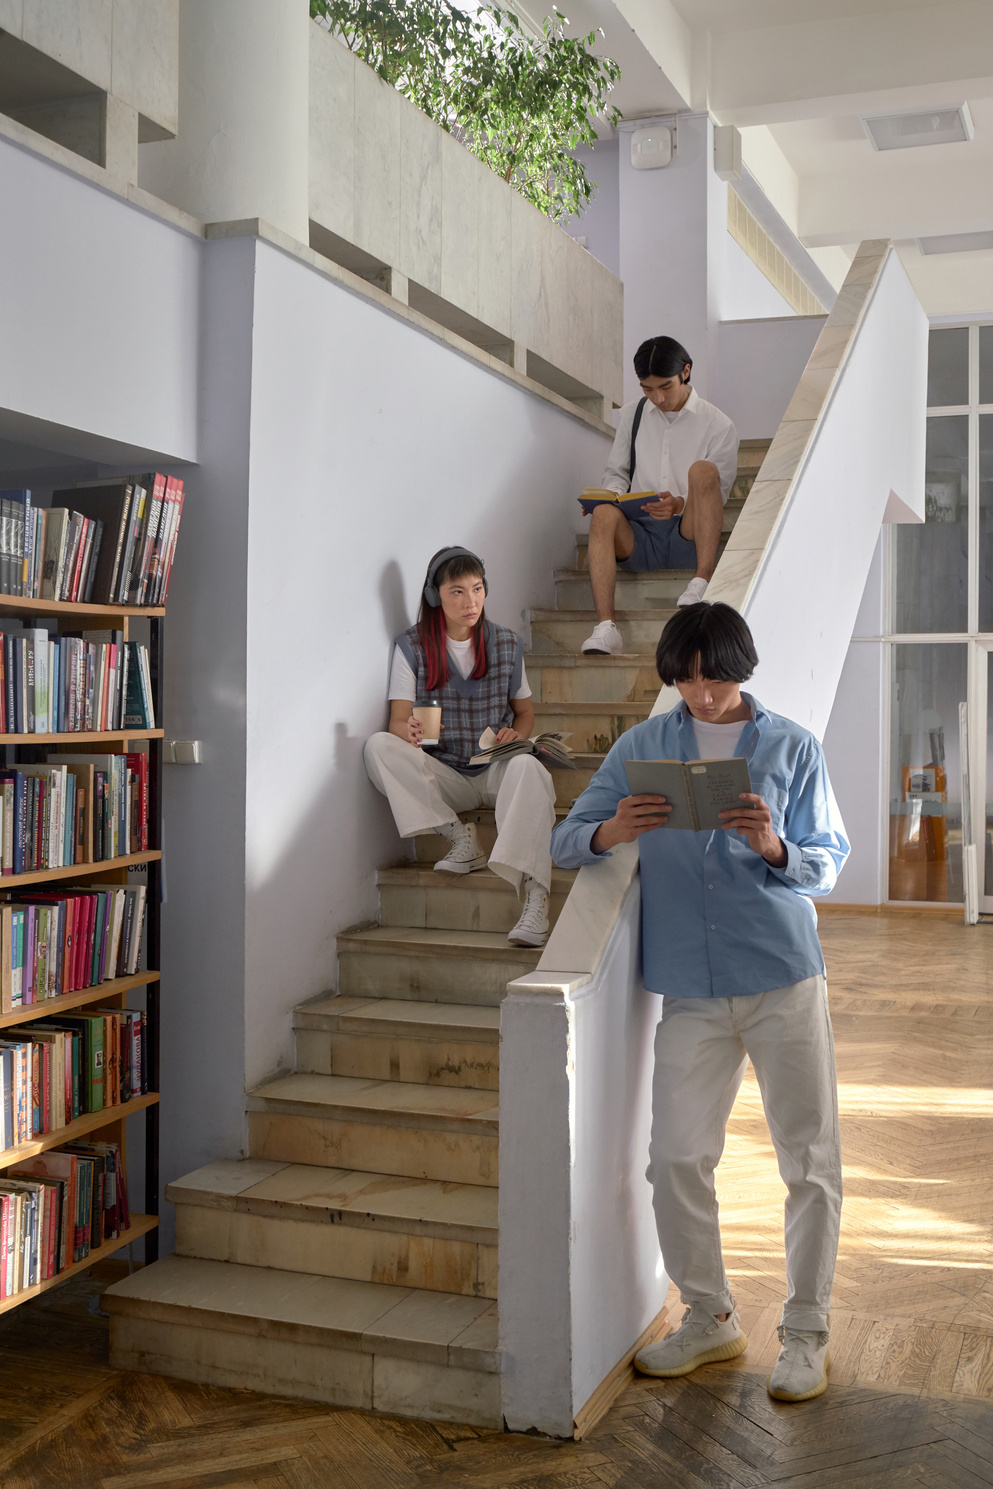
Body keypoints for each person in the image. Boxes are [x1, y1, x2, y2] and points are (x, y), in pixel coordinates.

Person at [551, 603, 849, 1402]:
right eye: (683, 678)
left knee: (807, 1157)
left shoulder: (790, 746)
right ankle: (710, 1315)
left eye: (711, 676)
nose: (699, 692)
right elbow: (566, 837)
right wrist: (612, 827)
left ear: (739, 667)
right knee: (675, 1157)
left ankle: (807, 1329)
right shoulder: (641, 745)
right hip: (688, 983)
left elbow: (828, 861)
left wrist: (775, 845)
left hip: (782, 972)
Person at [364, 546, 555, 948]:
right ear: (435, 596)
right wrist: (410, 733)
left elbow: (525, 713)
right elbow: (397, 722)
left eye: (478, 589)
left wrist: (516, 736)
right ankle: (459, 839)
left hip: (494, 768)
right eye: (457, 591)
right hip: (445, 771)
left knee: (532, 769)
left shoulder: (506, 643)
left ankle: (536, 896)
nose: (471, 602)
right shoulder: (411, 647)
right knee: (378, 746)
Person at [581, 336, 738, 657]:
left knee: (703, 471)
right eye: (647, 389)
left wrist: (679, 503)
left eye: (665, 387)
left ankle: (702, 581)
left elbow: (716, 496)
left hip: (689, 535)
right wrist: (607, 498)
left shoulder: (718, 425)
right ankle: (606, 628)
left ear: (686, 372)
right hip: (640, 536)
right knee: (603, 514)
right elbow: (617, 473)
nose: (658, 398)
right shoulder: (632, 415)